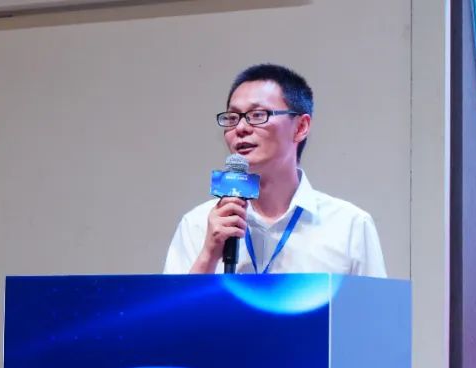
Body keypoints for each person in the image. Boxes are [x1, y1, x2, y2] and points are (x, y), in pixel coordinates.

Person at [164, 64, 387, 277]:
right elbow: (171, 306)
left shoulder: (350, 226)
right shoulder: (196, 225)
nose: (240, 128)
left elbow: (375, 305)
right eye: (232, 118)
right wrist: (209, 254)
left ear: (300, 127)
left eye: (258, 115)